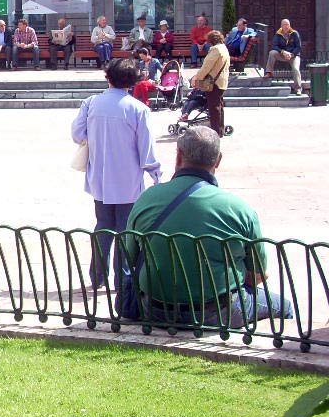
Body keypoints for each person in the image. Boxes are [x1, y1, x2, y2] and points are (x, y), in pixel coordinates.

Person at [126, 127, 294, 327]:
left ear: (178, 156)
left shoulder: (146, 199)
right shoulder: (240, 209)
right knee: (284, 306)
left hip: (155, 309)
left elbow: (130, 257)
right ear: (218, 160)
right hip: (219, 311)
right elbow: (258, 276)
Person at [71, 58, 161, 291]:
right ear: (133, 82)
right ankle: (123, 280)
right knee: (125, 231)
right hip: (127, 181)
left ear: (108, 77)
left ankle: (97, 276)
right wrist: (156, 174)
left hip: (99, 178)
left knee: (103, 225)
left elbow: (77, 134)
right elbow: (146, 149)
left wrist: (96, 137)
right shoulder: (138, 109)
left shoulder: (91, 103)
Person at [193, 30, 230, 137]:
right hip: (221, 81)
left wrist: (196, 77)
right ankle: (220, 131)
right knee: (219, 106)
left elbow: (206, 66)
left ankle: (215, 133)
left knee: (214, 108)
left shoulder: (215, 49)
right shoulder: (224, 48)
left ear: (211, 40)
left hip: (214, 82)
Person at [265, 18, 302, 95]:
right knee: (272, 53)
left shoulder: (295, 33)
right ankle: (269, 72)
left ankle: (298, 88)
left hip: (294, 56)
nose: (286, 26)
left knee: (296, 69)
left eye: (287, 24)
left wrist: (291, 54)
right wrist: (283, 52)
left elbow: (298, 47)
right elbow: (274, 46)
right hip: (282, 55)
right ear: (281, 26)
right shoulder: (278, 34)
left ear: (290, 25)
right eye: (284, 25)